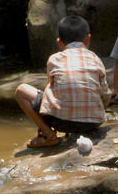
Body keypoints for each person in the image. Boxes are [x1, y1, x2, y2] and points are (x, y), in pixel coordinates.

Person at [15, 15, 111, 148]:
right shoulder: (95, 59)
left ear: (59, 42)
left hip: (60, 122)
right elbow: (105, 94)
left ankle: (49, 134)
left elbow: (53, 90)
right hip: (93, 122)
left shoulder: (54, 59)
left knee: (21, 91)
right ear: (88, 38)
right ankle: (54, 132)